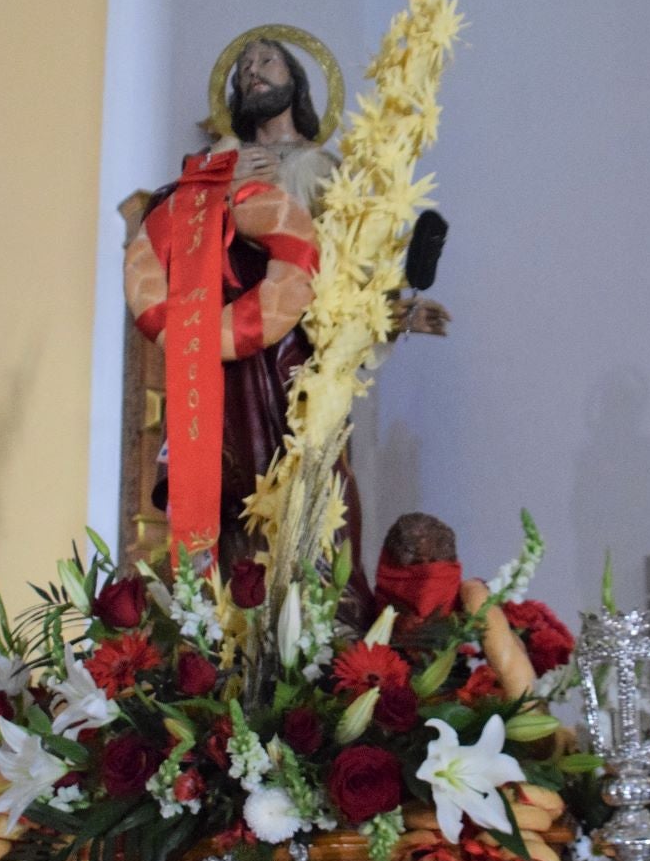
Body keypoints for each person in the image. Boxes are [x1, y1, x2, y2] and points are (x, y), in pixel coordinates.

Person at [124, 35, 447, 614]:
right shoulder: (213, 163)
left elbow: (351, 263)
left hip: (298, 355)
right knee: (227, 488)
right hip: (225, 351)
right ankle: (223, 617)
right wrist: (215, 183)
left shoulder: (325, 169)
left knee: (312, 478)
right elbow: (164, 230)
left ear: (296, 81)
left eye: (266, 62)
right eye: (244, 67)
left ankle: (321, 617)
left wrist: (391, 313)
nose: (252, 73)